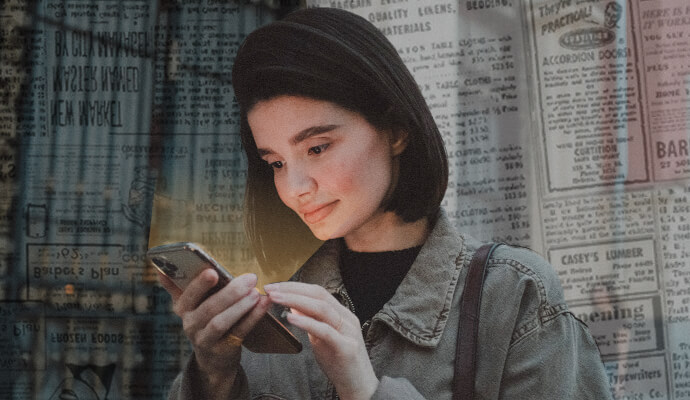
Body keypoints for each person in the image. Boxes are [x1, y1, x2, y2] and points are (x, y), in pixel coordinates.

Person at [160, 7, 612, 400]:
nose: (295, 186)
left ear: (395, 131)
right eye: (276, 162)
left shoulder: (511, 296)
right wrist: (214, 374)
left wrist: (365, 390)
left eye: (317, 148)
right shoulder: (275, 309)